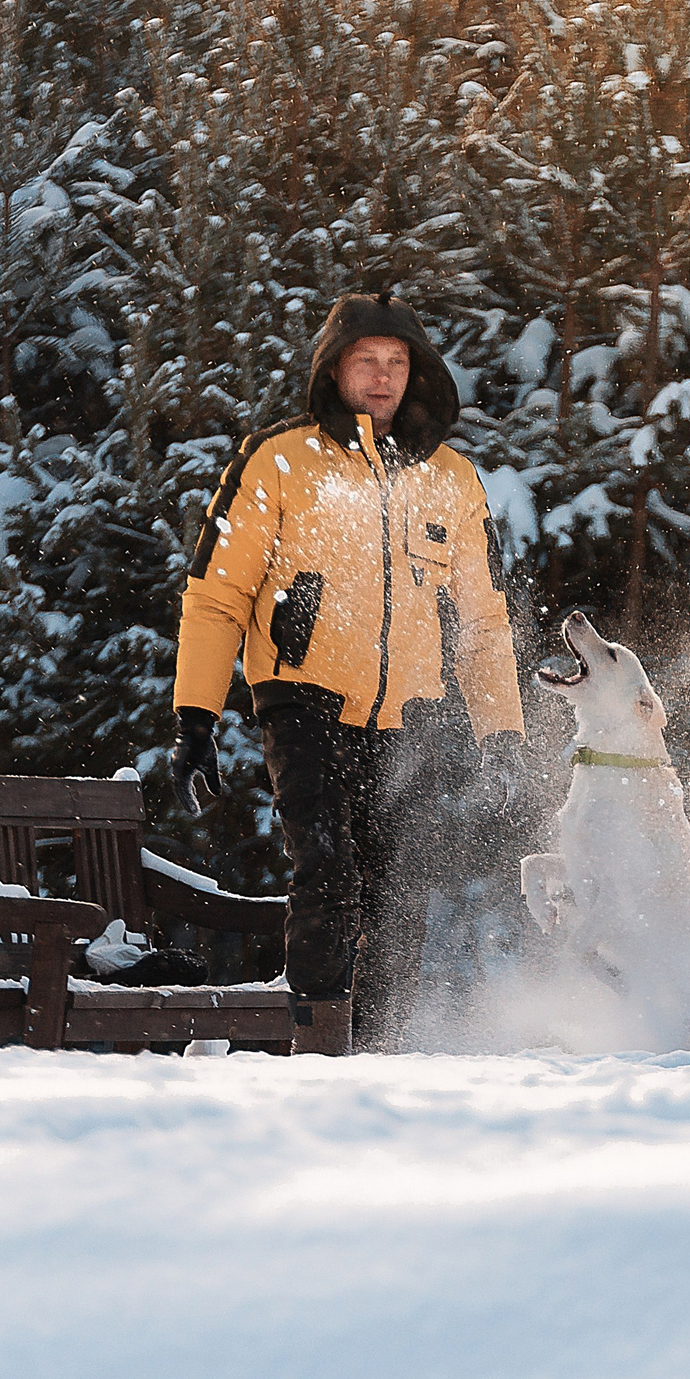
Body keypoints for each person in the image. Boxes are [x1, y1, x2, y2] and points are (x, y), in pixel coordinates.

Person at [168, 290, 527, 1054]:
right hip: (303, 701)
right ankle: (322, 1050)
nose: (383, 375)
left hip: (415, 716)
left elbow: (484, 620)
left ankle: (380, 1056)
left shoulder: (452, 478)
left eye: (398, 362)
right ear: (334, 368)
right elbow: (215, 594)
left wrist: (502, 730)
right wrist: (197, 719)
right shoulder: (279, 459)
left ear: (417, 373)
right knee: (327, 873)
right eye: (366, 359)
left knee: (402, 896)